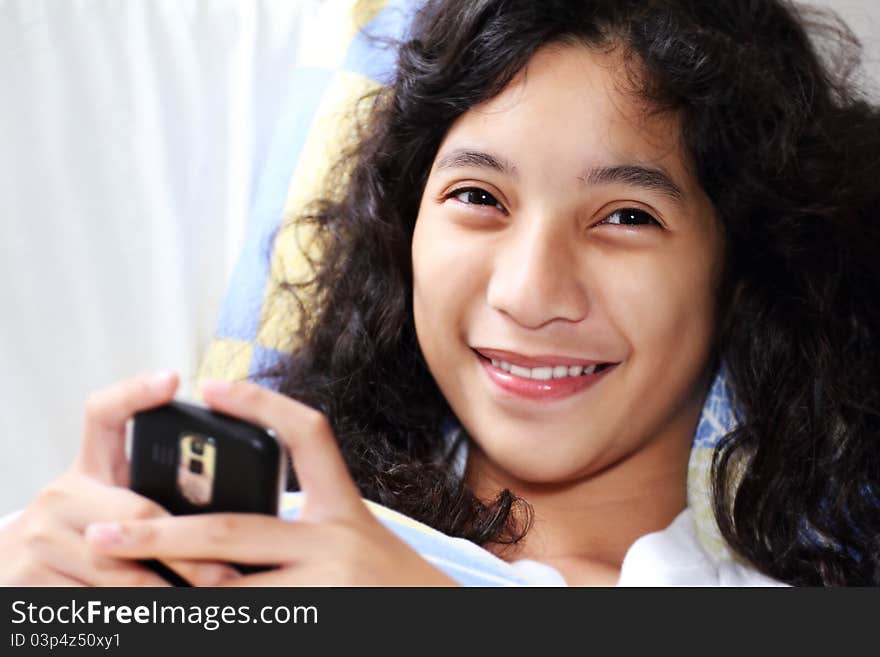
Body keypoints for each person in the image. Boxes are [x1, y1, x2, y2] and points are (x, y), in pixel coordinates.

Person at [2, 0, 878, 586]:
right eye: (479, 198)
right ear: (406, 234)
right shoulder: (248, 536)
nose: (531, 292)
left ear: (741, 271)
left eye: (625, 216)